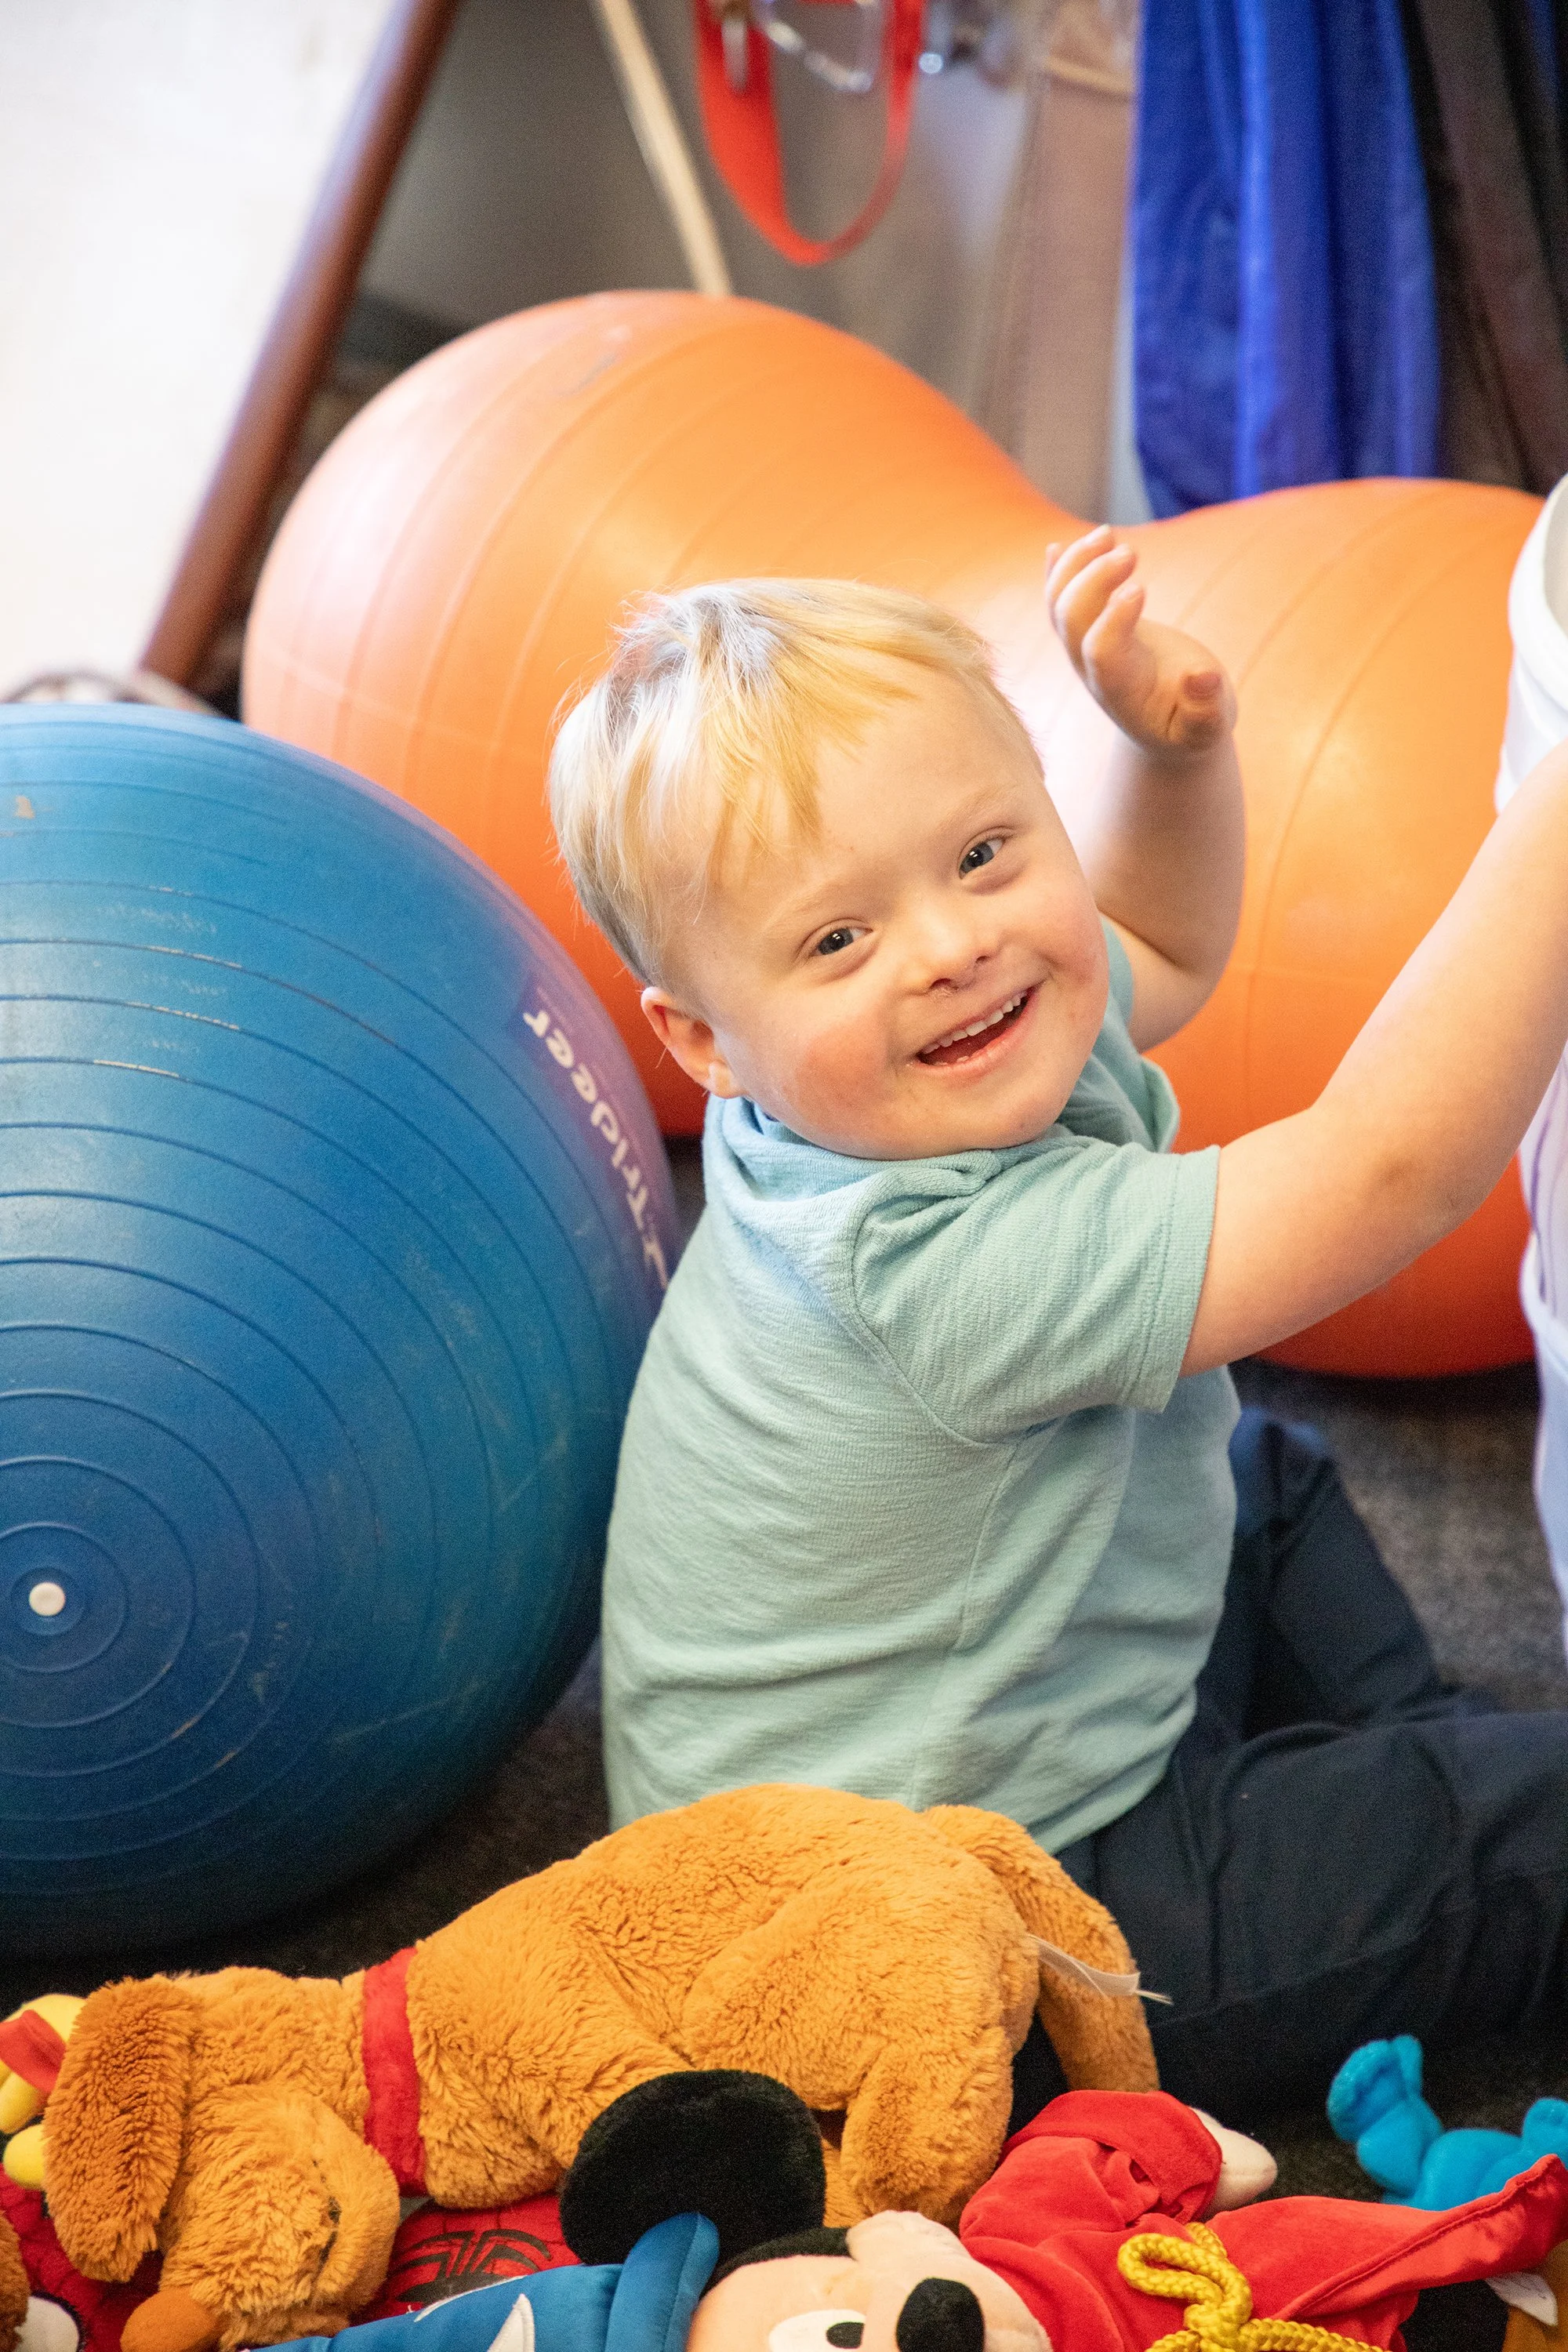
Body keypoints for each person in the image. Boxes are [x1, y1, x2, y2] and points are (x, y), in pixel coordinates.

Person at [546, 530, 1568, 2118]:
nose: (952, 947)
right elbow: (1391, 1170)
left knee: (1256, 1468)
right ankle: (1443, 1846)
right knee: (1530, 1822)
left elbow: (1159, 947)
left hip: (986, 1722)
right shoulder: (929, 1260)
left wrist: (1173, 758)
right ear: (706, 1044)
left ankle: (1409, 1805)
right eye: (837, 939)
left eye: (980, 855)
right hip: (969, 1948)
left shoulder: (894, 1076)